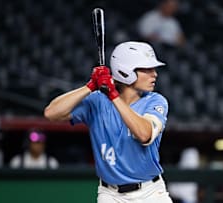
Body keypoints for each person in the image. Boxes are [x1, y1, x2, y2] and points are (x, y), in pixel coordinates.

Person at [44, 41, 172, 203]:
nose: (154, 74)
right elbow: (51, 113)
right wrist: (90, 86)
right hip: (110, 194)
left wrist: (113, 96)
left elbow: (144, 134)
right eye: (147, 69)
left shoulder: (156, 101)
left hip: (150, 193)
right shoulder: (97, 101)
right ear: (126, 71)